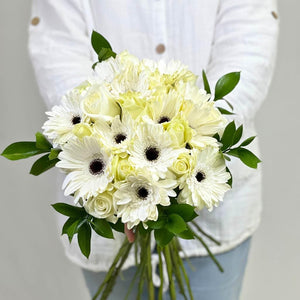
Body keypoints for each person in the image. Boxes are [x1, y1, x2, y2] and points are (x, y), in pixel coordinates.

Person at [28, 1, 279, 299]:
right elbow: (57, 48)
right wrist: (115, 172)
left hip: (213, 197)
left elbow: (249, 37)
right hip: (105, 201)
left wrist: (195, 141)